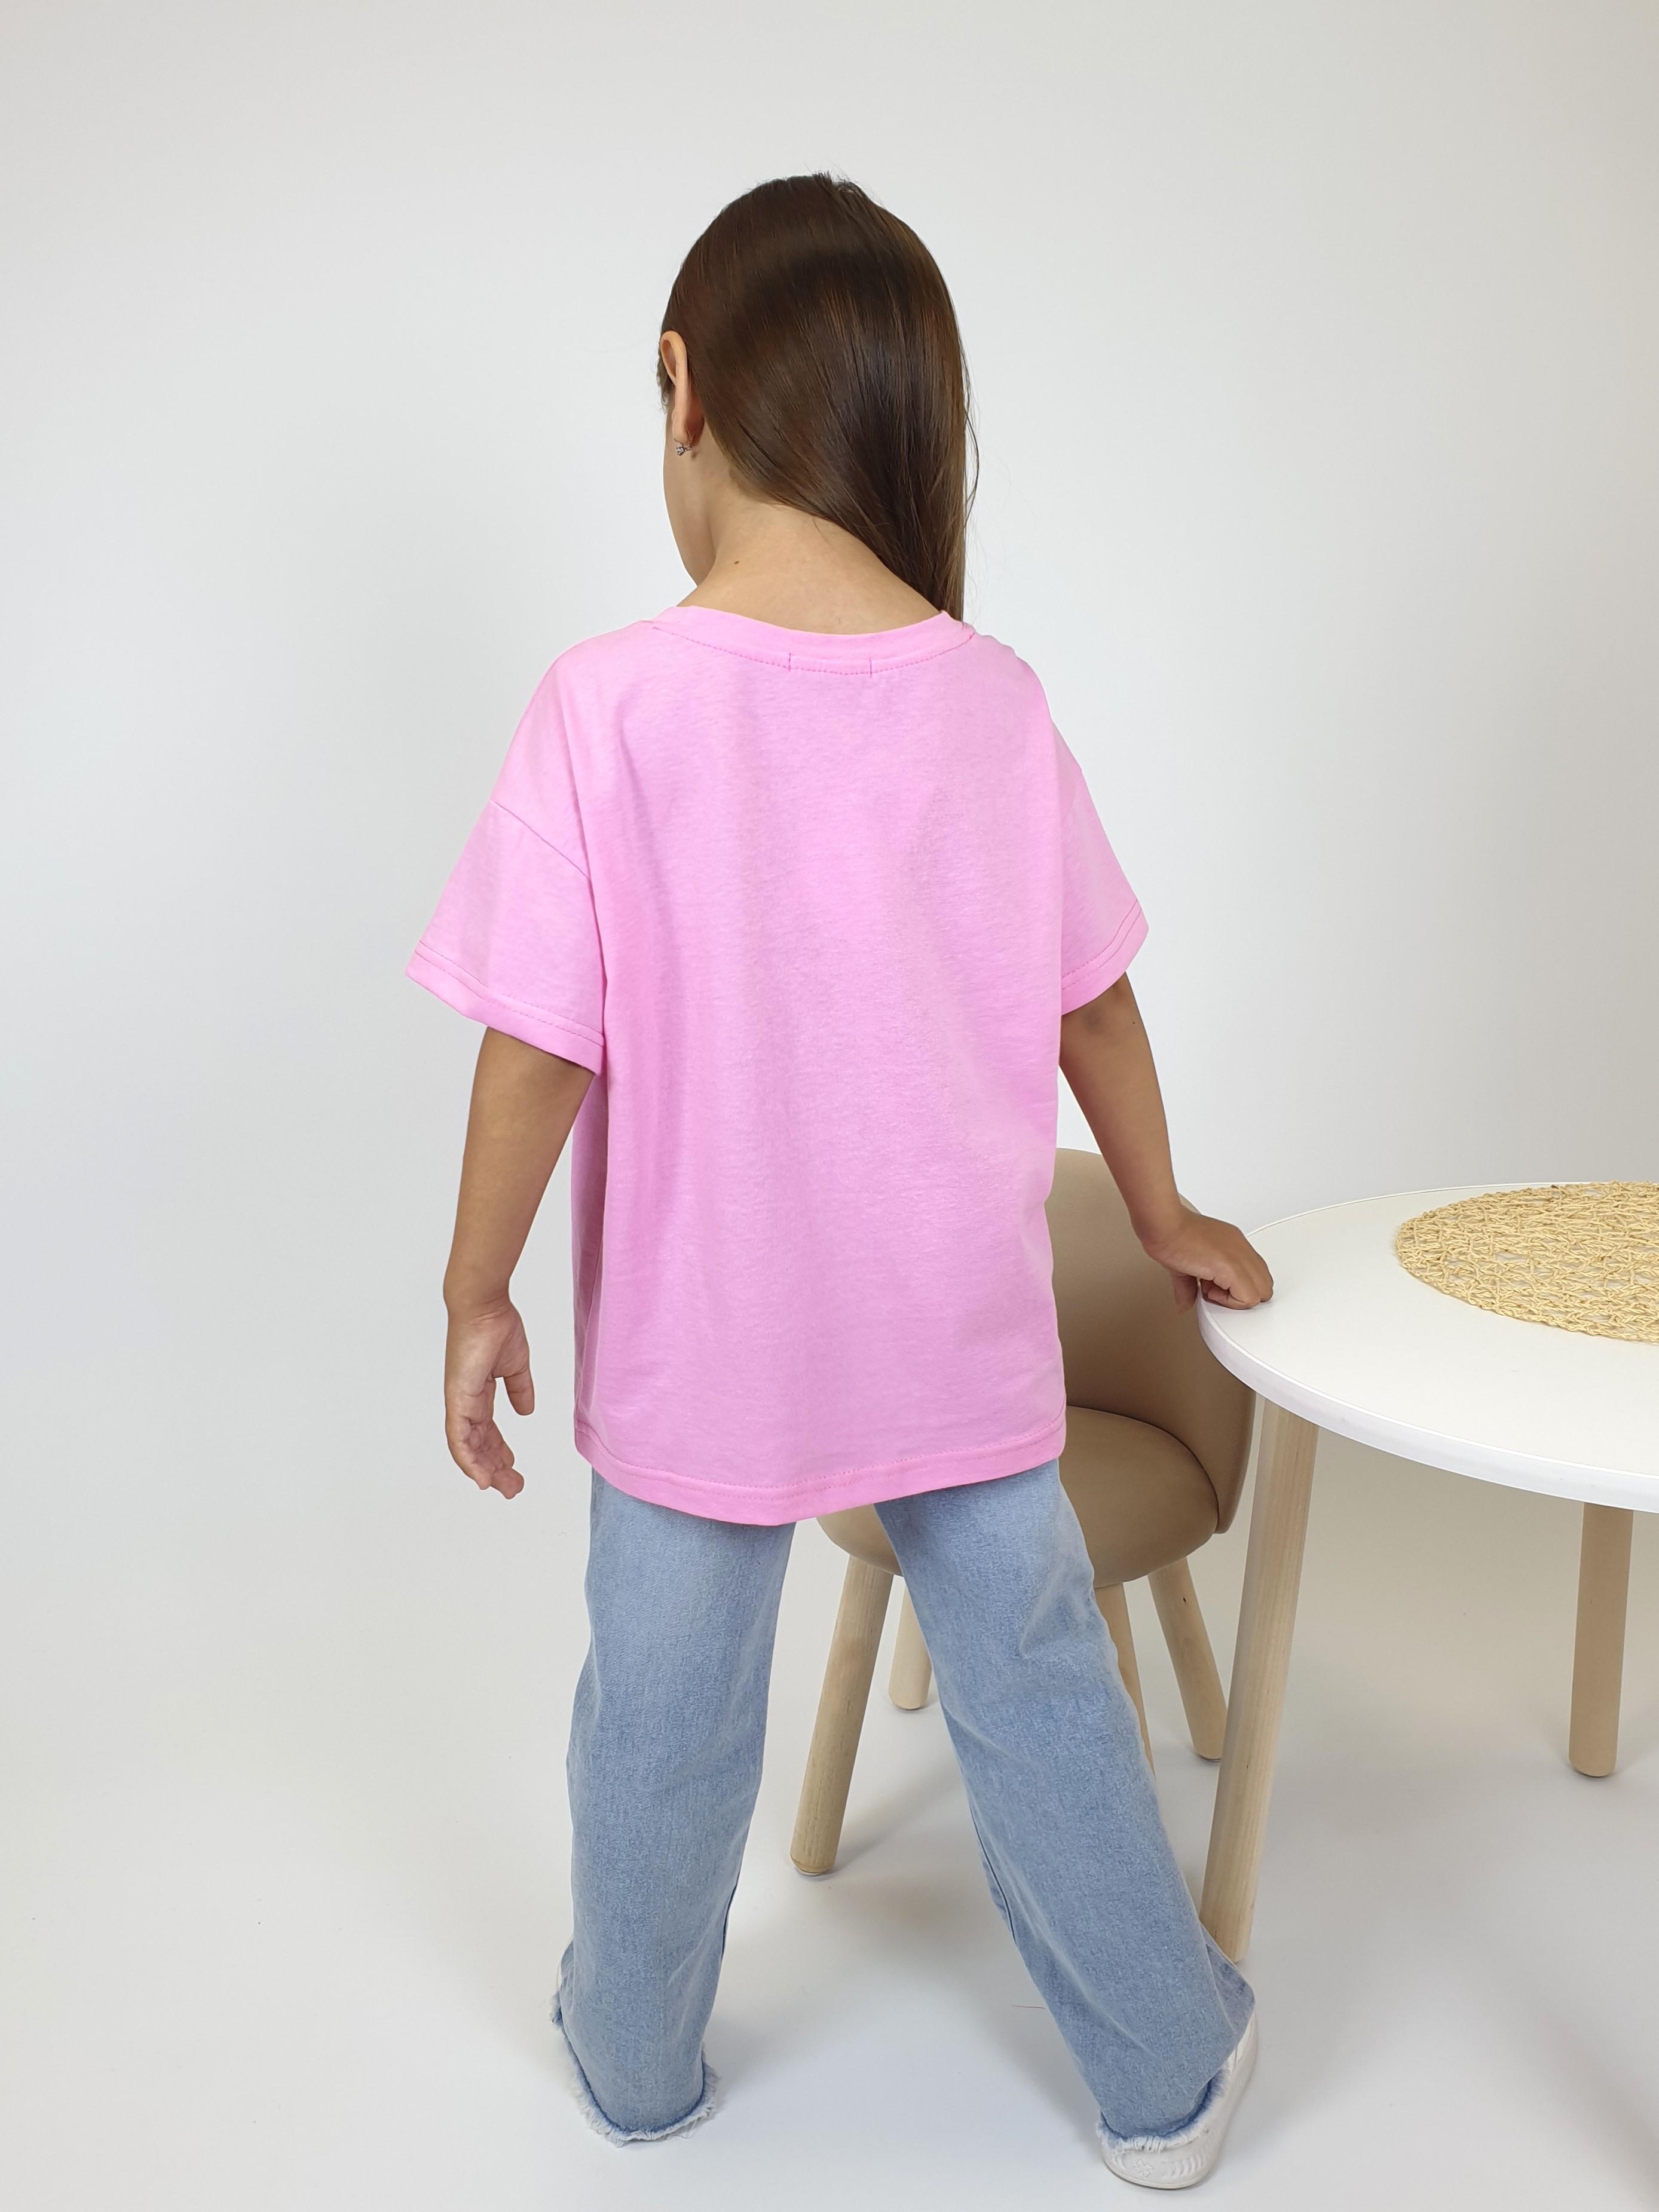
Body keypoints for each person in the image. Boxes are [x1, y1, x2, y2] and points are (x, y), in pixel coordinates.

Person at [407, 172, 1274, 2190]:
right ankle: (1166, 2078)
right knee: (1037, 1688)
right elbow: (1095, 1006)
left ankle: (634, 2069)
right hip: (954, 1332)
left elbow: (535, 1051)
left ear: (684, 388)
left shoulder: (608, 703)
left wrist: (475, 1289)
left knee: (662, 1717)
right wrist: (1161, 1215)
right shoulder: (991, 698)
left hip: (699, 1348)